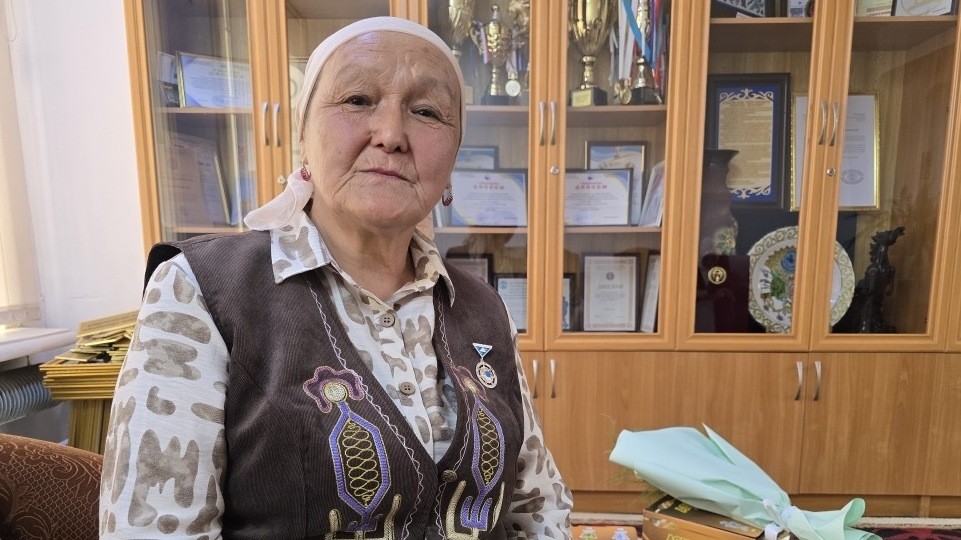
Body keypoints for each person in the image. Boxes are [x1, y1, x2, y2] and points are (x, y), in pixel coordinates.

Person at [99, 16, 573, 539]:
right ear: (303, 135)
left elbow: (539, 508)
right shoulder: (201, 290)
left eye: (426, 111)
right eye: (357, 100)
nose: (391, 135)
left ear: (453, 156)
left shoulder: (482, 308)